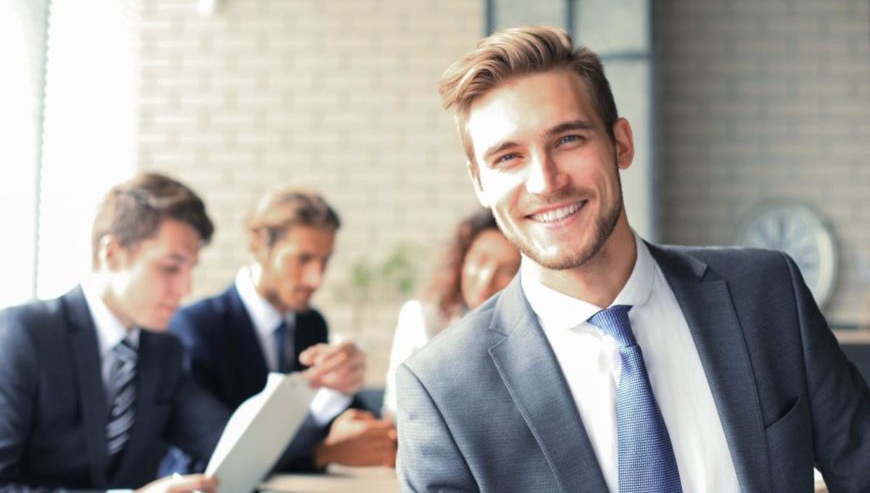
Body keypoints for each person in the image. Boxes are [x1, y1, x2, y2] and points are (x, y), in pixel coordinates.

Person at [395, 26, 870, 492]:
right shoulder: (443, 390)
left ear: (621, 142)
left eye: (568, 140)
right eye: (507, 157)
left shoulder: (766, 294)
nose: (545, 181)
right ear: (479, 182)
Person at [0, 173, 225, 492]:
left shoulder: (164, 350)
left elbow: (223, 437)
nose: (186, 288)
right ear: (112, 253)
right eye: (171, 267)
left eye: (191, 269)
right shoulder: (25, 335)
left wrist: (313, 397)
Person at [165, 186, 396, 474]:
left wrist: (343, 393)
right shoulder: (196, 327)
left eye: (325, 261)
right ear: (259, 246)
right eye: (303, 259)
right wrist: (323, 452)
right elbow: (219, 448)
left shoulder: (311, 324)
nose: (316, 278)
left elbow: (319, 420)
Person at [383, 208, 520, 417]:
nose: (486, 280)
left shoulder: (524, 339)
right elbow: (398, 410)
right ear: (463, 260)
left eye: (508, 271)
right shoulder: (422, 319)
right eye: (480, 261)